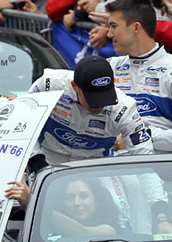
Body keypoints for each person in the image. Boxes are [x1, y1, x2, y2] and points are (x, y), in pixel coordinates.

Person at [106, 0, 172, 153]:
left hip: (159, 171)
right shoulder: (110, 67)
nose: (109, 34)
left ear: (136, 28)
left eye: (114, 26)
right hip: (110, 171)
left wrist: (137, 137)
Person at [26, 56, 157, 165]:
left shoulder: (124, 108)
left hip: (94, 168)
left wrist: (155, 197)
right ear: (75, 86)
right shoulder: (49, 84)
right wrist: (37, 162)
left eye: (104, 96)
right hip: (48, 162)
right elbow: (23, 124)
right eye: (93, 98)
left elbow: (144, 155)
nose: (99, 105)